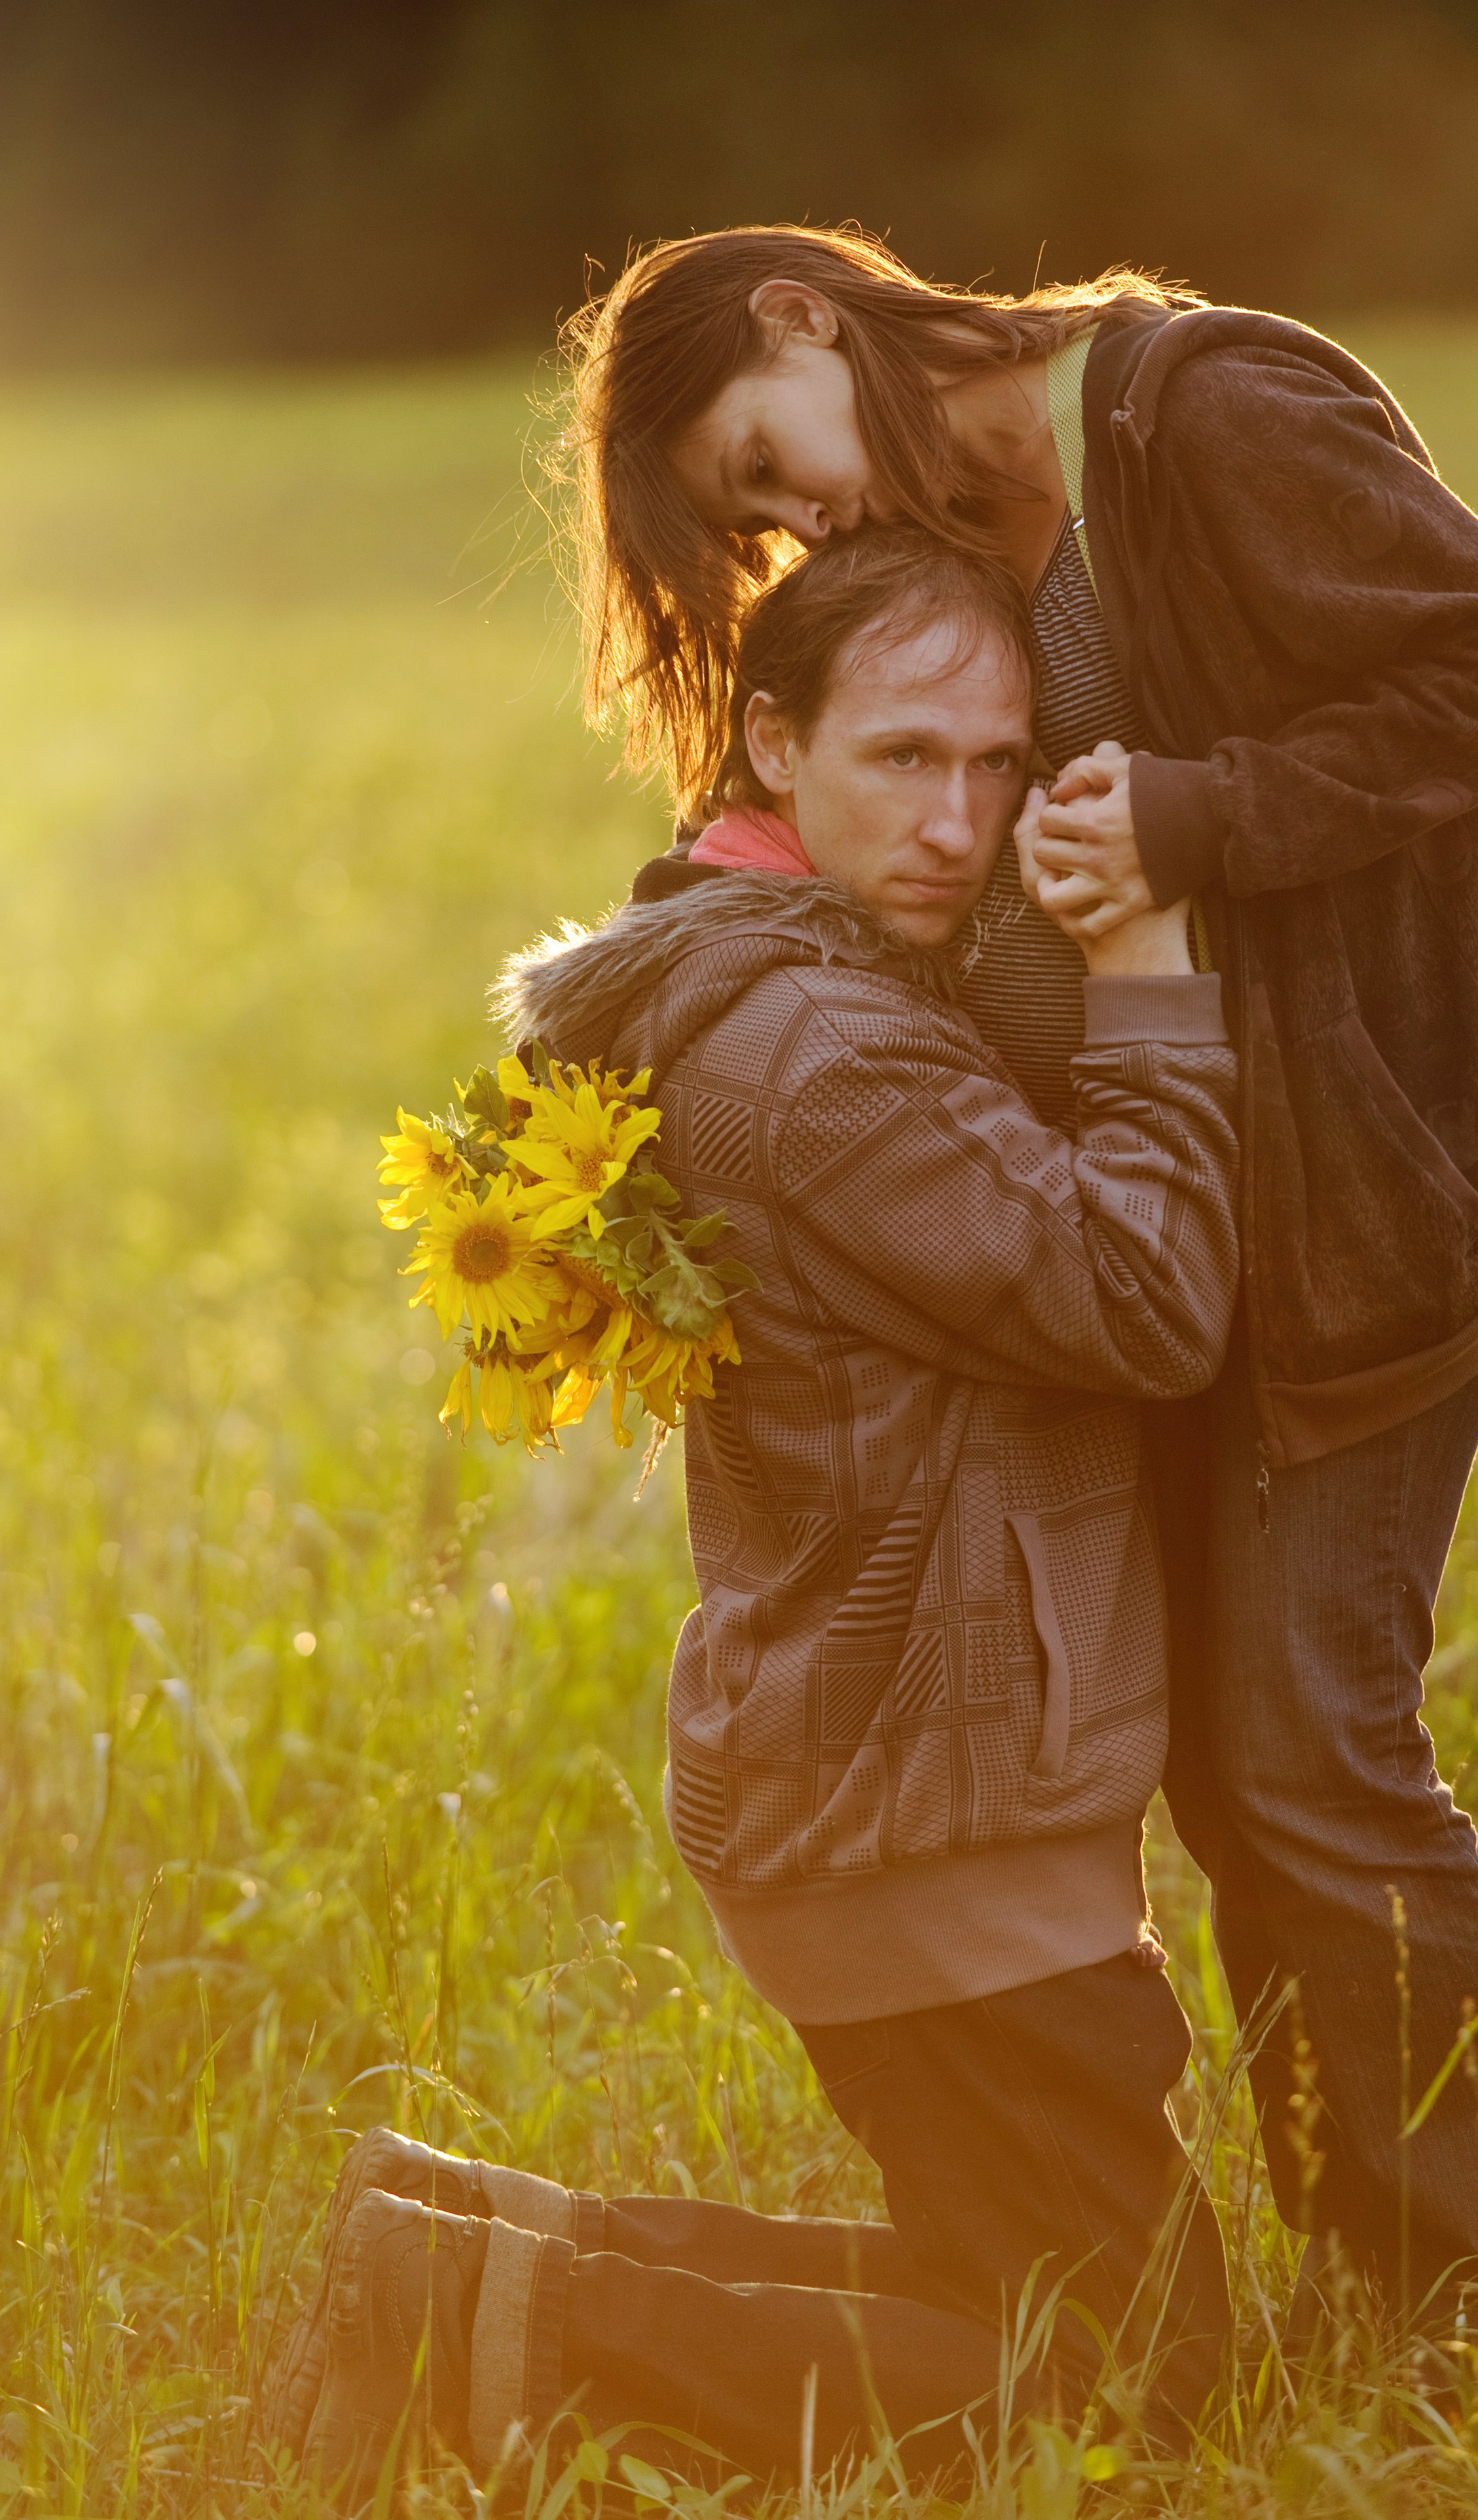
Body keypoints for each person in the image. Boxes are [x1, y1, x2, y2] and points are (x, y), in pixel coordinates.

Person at [551, 225, 1478, 2317]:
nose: (804, 523)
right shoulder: (956, 536)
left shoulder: (1198, 408)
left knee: (1309, 1755)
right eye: (763, 524)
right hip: (1190, 1226)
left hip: (1369, 1217)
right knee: (1235, 1771)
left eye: (768, 468)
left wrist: (1198, 827)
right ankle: (1370, 2272)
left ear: (800, 313)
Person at [275, 529, 1240, 2499]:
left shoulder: (782, 972)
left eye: (996, 765)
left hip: (900, 1770)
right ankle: (453, 2315)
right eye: (905, 758)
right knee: (1131, 2388)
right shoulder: (818, 1052)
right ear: (775, 743)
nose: (961, 819)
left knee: (1026, 2296)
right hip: (924, 1805)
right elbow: (1145, 1301)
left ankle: (464, 2253)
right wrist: (1147, 967)